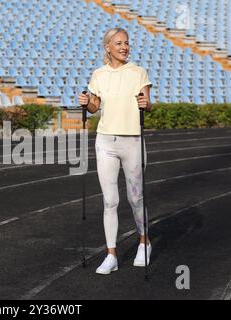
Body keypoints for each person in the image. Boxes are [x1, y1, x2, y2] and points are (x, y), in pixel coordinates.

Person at [78, 27, 153, 275]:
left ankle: (144, 242)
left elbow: (148, 103)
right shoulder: (98, 74)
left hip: (132, 141)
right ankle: (111, 255)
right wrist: (85, 102)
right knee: (110, 201)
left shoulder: (138, 72)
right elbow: (94, 107)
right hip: (106, 142)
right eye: (119, 43)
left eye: (127, 43)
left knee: (136, 198)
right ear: (108, 47)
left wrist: (146, 104)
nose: (124, 47)